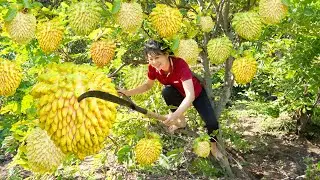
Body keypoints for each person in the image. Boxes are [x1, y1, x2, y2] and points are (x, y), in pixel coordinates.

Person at [118, 40, 222, 159]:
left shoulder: (179, 65)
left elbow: (190, 96)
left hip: (195, 94)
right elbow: (148, 85)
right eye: (150, 59)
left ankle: (214, 147)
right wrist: (127, 92)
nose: (154, 62)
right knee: (167, 91)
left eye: (157, 57)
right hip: (177, 94)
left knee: (212, 123)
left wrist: (174, 115)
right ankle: (181, 123)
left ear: (167, 54)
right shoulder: (153, 68)